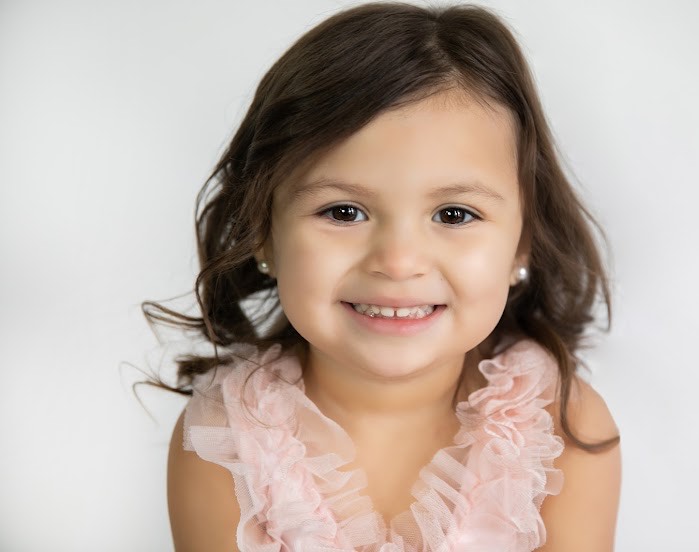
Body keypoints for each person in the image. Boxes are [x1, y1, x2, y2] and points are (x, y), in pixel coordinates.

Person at [154, 3, 621, 551]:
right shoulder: (225, 437)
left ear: (523, 243)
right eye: (343, 212)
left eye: (454, 214)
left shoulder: (560, 429)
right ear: (263, 234)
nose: (398, 262)